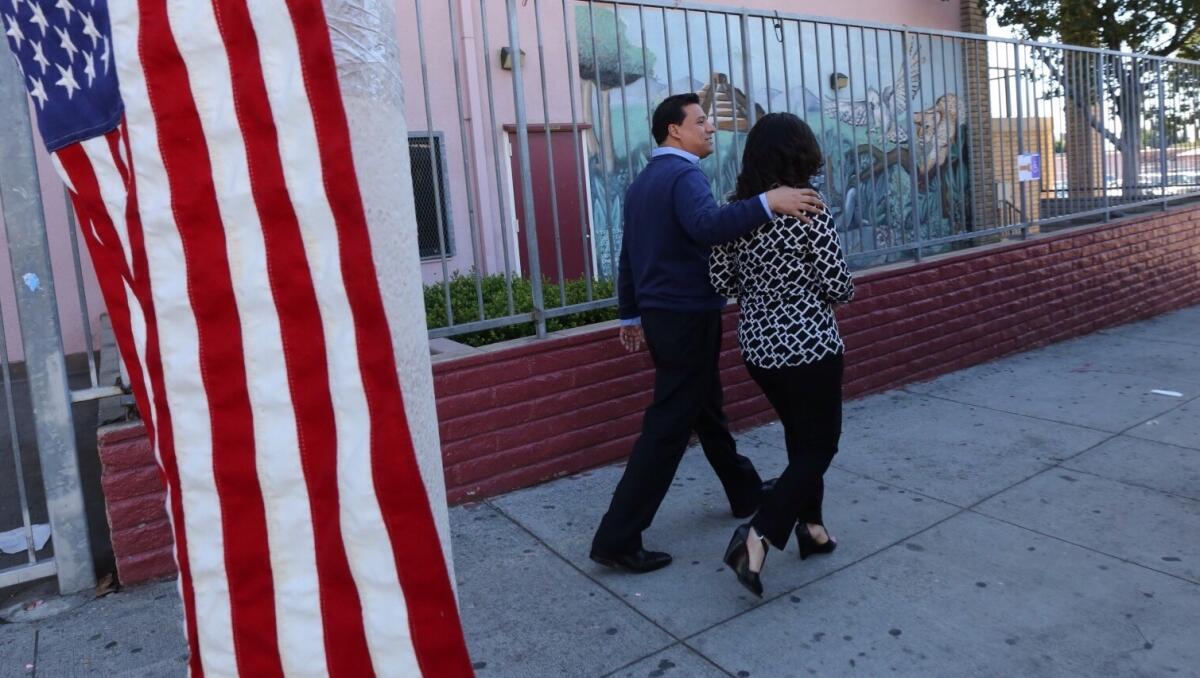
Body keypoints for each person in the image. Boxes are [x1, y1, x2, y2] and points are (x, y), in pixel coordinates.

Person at [589, 95, 826, 574]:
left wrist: (630, 315)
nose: (711, 128)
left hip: (662, 316)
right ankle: (617, 535)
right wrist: (769, 201)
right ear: (674, 131)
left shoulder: (643, 182)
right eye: (701, 121)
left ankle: (742, 491)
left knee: (705, 409)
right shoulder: (683, 175)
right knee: (670, 423)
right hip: (685, 315)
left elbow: (630, 256)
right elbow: (707, 227)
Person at [710, 112, 854, 597]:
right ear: (801, 151)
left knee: (801, 439)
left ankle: (811, 529)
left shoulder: (738, 211)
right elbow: (837, 282)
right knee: (820, 445)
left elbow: (721, 282)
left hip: (759, 349)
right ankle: (757, 535)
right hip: (810, 345)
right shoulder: (809, 206)